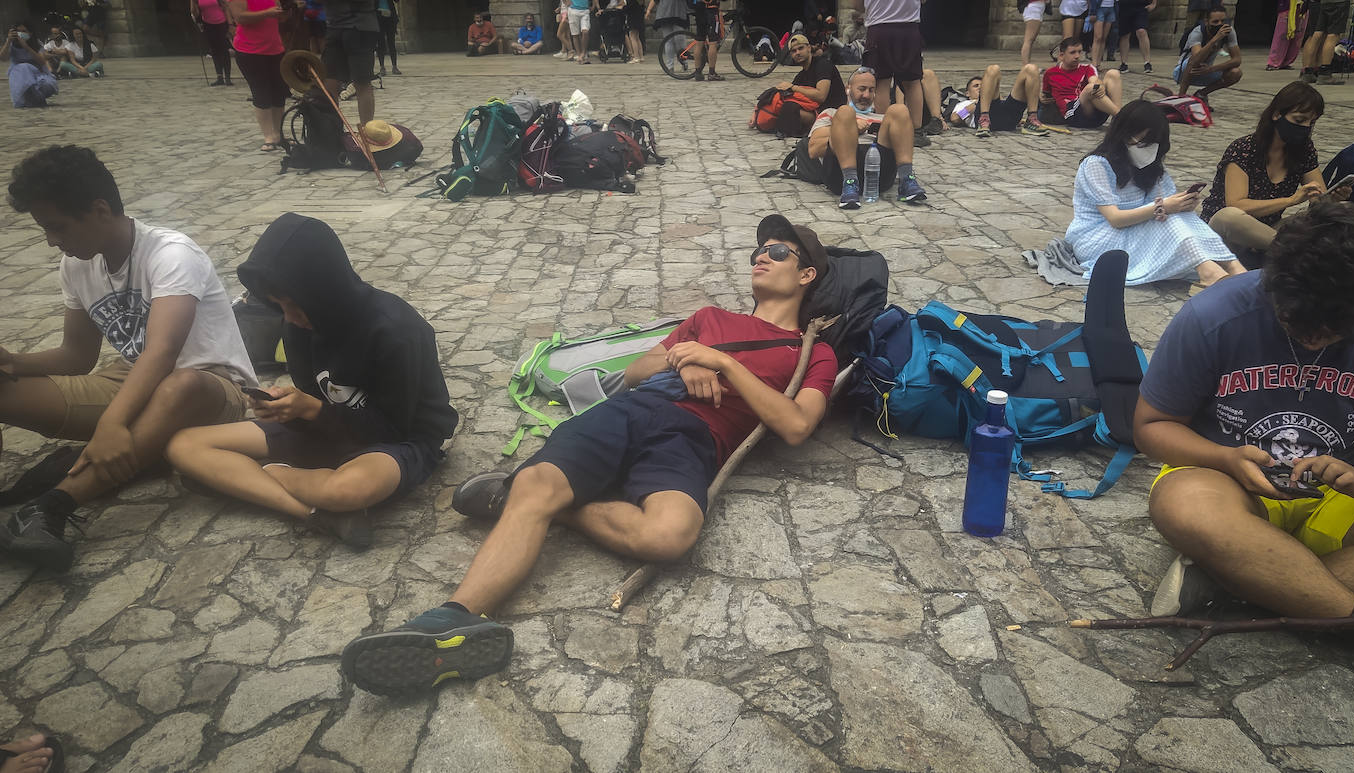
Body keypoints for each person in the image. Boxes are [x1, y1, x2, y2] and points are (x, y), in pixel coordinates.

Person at [337, 214, 839, 694]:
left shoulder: (813, 352)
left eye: (776, 251)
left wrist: (722, 363)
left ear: (806, 273)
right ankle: (449, 622)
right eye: (757, 250)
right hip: (633, 410)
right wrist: (683, 358)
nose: (760, 257)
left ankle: (522, 496)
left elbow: (795, 426)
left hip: (694, 440)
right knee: (540, 486)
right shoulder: (709, 317)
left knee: (669, 537)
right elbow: (638, 372)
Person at [0, 146, 256, 572]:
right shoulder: (76, 266)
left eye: (56, 227)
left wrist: (111, 425)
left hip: (211, 387)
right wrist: (13, 362)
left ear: (99, 210)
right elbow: (76, 356)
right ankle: (147, 449)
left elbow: (162, 353)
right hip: (132, 379)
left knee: (181, 386)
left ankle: (51, 507)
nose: (51, 241)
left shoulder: (171, 254)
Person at [1139, 201, 1354, 621]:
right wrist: (1225, 457)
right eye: (1296, 322)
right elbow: (1152, 425)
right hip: (1230, 485)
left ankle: (1250, 580)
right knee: (1186, 509)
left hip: (1338, 502)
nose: (1314, 338)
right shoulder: (1214, 315)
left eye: (1334, 330)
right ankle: (1350, 618)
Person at [168, 214, 457, 550]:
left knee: (348, 490)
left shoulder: (397, 331)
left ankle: (252, 477)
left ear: (323, 289)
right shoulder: (298, 327)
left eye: (295, 304)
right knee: (183, 445)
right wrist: (286, 408)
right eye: (279, 306)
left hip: (398, 439)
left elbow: (392, 431)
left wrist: (314, 411)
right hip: (326, 429)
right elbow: (312, 400)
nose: (290, 317)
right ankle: (312, 512)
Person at [1065, 100, 1244, 286]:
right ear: (1124, 135)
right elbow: (1115, 218)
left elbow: (1161, 206)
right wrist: (1162, 207)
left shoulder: (1151, 168)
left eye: (1155, 144)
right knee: (1167, 216)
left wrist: (1182, 205)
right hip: (1096, 237)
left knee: (1183, 217)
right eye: (1144, 143)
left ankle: (1233, 267)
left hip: (1135, 230)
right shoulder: (1097, 165)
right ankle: (1209, 273)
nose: (1151, 150)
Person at [1203, 82, 1351, 267]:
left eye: (1311, 122)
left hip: (1268, 232)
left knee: (1326, 216)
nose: (1305, 127)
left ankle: (1286, 252)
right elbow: (1237, 205)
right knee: (1229, 215)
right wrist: (1290, 200)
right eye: (1299, 120)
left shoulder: (1303, 150)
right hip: (1226, 234)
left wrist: (1332, 200)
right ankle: (1298, 253)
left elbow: (1318, 200)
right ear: (1276, 115)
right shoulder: (1244, 149)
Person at [795, 68, 928, 209]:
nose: (866, 95)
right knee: (846, 112)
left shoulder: (884, 119)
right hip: (839, 174)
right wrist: (849, 129)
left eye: (871, 90)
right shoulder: (831, 114)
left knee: (899, 110)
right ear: (848, 89)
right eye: (862, 89)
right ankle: (850, 182)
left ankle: (907, 179)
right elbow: (813, 150)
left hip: (879, 173)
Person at [227, 0, 288, 152]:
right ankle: (269, 136)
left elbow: (279, 17)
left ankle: (279, 134)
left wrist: (285, 13)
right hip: (250, 51)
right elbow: (240, 17)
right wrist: (267, 13)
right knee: (261, 91)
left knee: (279, 92)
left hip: (275, 49)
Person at [763, 33, 843, 136]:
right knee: (782, 105)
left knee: (789, 109)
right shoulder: (800, 76)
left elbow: (821, 96)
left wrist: (794, 87)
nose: (797, 53)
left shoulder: (823, 65)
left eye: (801, 48)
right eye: (793, 51)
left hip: (832, 112)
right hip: (813, 110)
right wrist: (760, 109)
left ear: (809, 48)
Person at [856, 0, 924, 113]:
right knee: (912, 82)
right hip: (909, 26)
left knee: (881, 82)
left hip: (879, 25)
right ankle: (916, 127)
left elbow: (858, 5)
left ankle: (883, 124)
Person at [1041, 37, 1123, 129]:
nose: (1077, 56)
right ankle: (1122, 117)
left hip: (1093, 110)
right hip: (1072, 114)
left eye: (1079, 52)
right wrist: (1041, 98)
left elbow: (1094, 80)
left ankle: (1117, 119)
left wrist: (1100, 85)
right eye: (1072, 52)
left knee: (1113, 74)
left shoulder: (1087, 68)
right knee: (1090, 88)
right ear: (1061, 55)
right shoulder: (1050, 73)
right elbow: (1045, 96)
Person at [323, 0, 379, 126]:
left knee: (362, 82)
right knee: (329, 81)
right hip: (334, 27)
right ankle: (332, 131)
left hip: (360, 27)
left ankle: (367, 131)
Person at [962, 64, 1051, 137]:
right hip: (988, 116)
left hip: (1008, 116)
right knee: (993, 69)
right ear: (967, 93)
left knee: (1031, 68)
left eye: (982, 85)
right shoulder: (964, 103)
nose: (980, 87)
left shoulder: (993, 94)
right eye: (975, 86)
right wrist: (971, 107)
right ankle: (984, 118)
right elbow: (954, 118)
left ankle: (1032, 119)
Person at [1174, 7, 1243, 102]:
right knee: (1194, 62)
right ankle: (1181, 97)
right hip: (1183, 73)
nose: (1219, 24)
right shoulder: (1197, 32)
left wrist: (1211, 69)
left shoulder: (1229, 32)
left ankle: (1201, 94)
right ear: (1206, 22)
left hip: (1206, 70)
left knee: (1235, 72)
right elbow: (1195, 59)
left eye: (1222, 21)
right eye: (1215, 22)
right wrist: (1214, 39)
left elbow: (1237, 60)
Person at [2, 23, 58, 108]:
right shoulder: (11, 43)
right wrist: (8, 41)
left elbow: (42, 61)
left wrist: (26, 46)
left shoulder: (36, 43)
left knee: (47, 84)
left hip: (37, 72)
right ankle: (30, 99)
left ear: (30, 33)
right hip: (19, 75)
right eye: (18, 31)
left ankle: (36, 98)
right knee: (24, 67)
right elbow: (3, 58)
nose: (20, 33)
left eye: (24, 31)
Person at [1301, 0, 1351, 84]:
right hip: (1338, 3)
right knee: (1333, 35)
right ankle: (1325, 73)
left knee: (1317, 33)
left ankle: (1308, 71)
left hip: (1323, 2)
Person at [193, 0, 232, 85]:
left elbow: (226, 8)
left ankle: (228, 78)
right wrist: (192, 2)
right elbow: (195, 13)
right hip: (208, 25)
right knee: (214, 51)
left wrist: (230, 24)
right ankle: (219, 77)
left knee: (224, 50)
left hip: (222, 23)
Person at [645, 0, 688, 70]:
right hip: (665, 13)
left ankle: (684, 61)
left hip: (679, 12)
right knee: (668, 40)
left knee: (680, 39)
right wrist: (648, 10)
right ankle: (670, 65)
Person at [1267, 0, 1309, 70]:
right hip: (1288, 5)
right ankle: (1273, 61)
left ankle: (1286, 61)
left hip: (1303, 5)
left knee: (1298, 34)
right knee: (1282, 33)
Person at [1116, 0, 1153, 73]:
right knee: (1124, 34)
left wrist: (1153, 3)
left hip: (1141, 6)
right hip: (1124, 6)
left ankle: (1147, 62)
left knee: (1141, 31)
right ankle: (1124, 63)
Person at [690, 0, 722, 80]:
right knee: (713, 43)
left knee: (699, 42)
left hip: (699, 11)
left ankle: (697, 72)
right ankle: (711, 73)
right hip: (711, 12)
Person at [1089, 0, 1116, 69]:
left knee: (1104, 38)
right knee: (1098, 37)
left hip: (1111, 7)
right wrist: (1092, 12)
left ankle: (1098, 63)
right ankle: (1094, 63)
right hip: (1099, 8)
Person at [1020, 0, 1049, 66]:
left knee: (1031, 40)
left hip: (1038, 8)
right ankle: (1026, 67)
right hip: (1034, 8)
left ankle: (1028, 65)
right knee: (1028, 40)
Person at [375, 0, 400, 74]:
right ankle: (382, 67)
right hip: (378, 18)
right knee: (380, 43)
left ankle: (394, 66)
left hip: (390, 17)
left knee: (391, 43)